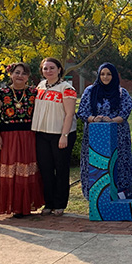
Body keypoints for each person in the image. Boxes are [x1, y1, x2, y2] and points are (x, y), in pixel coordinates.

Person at [0, 62, 43, 218]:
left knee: (26, 170)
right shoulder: (2, 93)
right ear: (11, 74)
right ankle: (11, 205)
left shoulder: (34, 92)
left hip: (28, 137)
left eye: (24, 73)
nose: (20, 76)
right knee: (10, 169)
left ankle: (24, 206)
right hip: (8, 137)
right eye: (17, 72)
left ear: (28, 77)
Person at [77, 63, 132, 199]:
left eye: (109, 74)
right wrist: (94, 119)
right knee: (97, 167)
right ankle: (96, 198)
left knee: (118, 165)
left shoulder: (121, 92)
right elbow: (82, 112)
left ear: (114, 76)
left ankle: (121, 196)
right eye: (102, 74)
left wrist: (111, 121)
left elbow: (125, 113)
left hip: (118, 137)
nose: (105, 77)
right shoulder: (90, 91)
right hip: (95, 137)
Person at [32, 57, 77, 217]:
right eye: (45, 68)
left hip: (61, 134)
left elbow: (70, 113)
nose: (48, 71)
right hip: (42, 133)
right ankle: (48, 202)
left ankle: (59, 204)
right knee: (46, 169)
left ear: (59, 70)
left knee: (61, 169)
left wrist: (64, 135)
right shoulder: (40, 86)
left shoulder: (66, 88)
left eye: (52, 68)